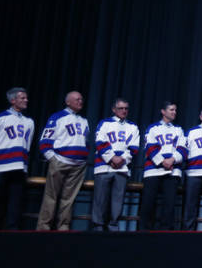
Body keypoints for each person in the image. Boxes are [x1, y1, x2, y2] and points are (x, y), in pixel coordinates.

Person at [0, 87, 35, 230]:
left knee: (15, 201)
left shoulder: (29, 121)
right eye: (22, 98)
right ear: (13, 100)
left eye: (26, 98)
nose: (26, 100)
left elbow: (27, 145)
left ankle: (12, 230)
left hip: (19, 166)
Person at [36, 91, 90, 231]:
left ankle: (63, 228)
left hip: (78, 166)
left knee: (69, 199)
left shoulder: (84, 121)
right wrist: (53, 159)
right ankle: (44, 228)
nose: (80, 101)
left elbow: (87, 142)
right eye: (77, 99)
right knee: (51, 197)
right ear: (68, 102)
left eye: (81, 99)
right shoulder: (57, 118)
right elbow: (44, 141)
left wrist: (84, 158)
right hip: (60, 161)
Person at [92, 98, 140, 231]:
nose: (124, 111)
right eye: (121, 108)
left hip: (122, 169)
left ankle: (113, 227)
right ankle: (98, 227)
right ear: (114, 109)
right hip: (104, 167)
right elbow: (100, 142)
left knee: (117, 201)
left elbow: (134, 148)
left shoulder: (133, 127)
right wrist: (112, 158)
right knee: (100, 200)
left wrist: (121, 159)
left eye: (126, 108)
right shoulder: (104, 124)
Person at [140, 101, 187, 230]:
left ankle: (166, 233)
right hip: (153, 171)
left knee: (169, 205)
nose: (174, 112)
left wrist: (172, 160)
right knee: (148, 203)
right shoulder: (153, 128)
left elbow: (183, 148)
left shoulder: (178, 130)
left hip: (172, 171)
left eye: (175, 110)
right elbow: (149, 147)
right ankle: (145, 232)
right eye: (171, 110)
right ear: (163, 111)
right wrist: (162, 161)